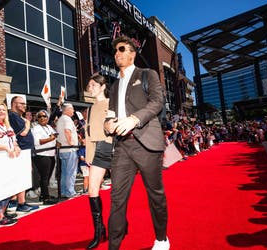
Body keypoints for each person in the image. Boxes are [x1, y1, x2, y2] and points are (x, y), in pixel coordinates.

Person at [104, 36, 169, 250]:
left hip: (146, 142)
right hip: (122, 145)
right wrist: (107, 125)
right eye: (115, 51)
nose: (117, 53)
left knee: (155, 194)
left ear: (132, 54)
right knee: (117, 198)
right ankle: (113, 246)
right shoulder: (113, 86)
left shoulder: (147, 74)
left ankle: (161, 239)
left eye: (122, 49)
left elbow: (157, 102)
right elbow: (111, 113)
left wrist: (135, 118)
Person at [85, 73, 113, 249]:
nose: (90, 87)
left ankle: (119, 225)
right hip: (98, 151)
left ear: (103, 86)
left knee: (119, 192)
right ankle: (99, 230)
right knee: (92, 190)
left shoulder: (112, 103)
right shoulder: (89, 108)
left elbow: (114, 127)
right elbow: (88, 135)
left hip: (114, 148)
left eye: (94, 84)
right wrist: (89, 156)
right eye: (89, 85)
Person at [8, 96, 39, 212]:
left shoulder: (17, 116)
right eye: (22, 103)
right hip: (21, 151)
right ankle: (20, 203)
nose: (24, 106)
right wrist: (27, 123)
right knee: (22, 177)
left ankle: (18, 201)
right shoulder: (13, 115)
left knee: (23, 177)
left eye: (25, 103)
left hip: (25, 151)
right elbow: (23, 133)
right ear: (14, 104)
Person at [31, 110, 58, 205]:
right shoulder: (35, 128)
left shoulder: (49, 127)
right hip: (42, 155)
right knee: (44, 178)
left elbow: (55, 136)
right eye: (40, 116)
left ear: (47, 118)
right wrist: (50, 139)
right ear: (37, 119)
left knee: (47, 177)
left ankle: (44, 194)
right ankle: (45, 198)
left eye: (44, 116)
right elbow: (37, 142)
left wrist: (56, 142)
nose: (42, 118)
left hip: (51, 154)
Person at [56, 103, 79, 199]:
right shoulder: (67, 119)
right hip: (69, 149)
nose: (73, 111)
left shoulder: (61, 119)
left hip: (63, 150)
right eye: (72, 109)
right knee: (71, 172)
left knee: (65, 172)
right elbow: (67, 131)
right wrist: (71, 142)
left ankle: (64, 191)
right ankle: (70, 192)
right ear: (67, 110)